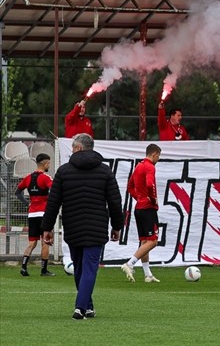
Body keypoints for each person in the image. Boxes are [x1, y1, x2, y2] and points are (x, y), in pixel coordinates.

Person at [41, 134, 123, 319]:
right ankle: (83, 307)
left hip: (73, 226)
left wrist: (47, 228)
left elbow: (53, 202)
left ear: (78, 148)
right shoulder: (105, 171)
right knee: (89, 268)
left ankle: (84, 307)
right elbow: (115, 202)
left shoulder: (63, 171)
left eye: (73, 147)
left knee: (78, 267)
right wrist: (117, 226)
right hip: (97, 227)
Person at [121, 143, 163, 284]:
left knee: (145, 241)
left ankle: (147, 274)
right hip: (148, 209)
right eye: (158, 156)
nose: (158, 159)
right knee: (153, 241)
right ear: (154, 154)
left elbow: (130, 186)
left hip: (139, 208)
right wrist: (152, 199)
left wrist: (139, 198)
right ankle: (130, 264)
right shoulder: (150, 167)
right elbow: (150, 184)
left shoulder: (139, 166)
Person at [17, 153, 54, 276]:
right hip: (44, 213)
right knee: (45, 241)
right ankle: (44, 270)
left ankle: (23, 267)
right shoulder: (46, 177)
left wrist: (27, 203)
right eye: (49, 163)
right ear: (45, 164)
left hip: (32, 214)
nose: (49, 165)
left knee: (32, 243)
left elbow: (18, 192)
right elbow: (54, 190)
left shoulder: (28, 177)